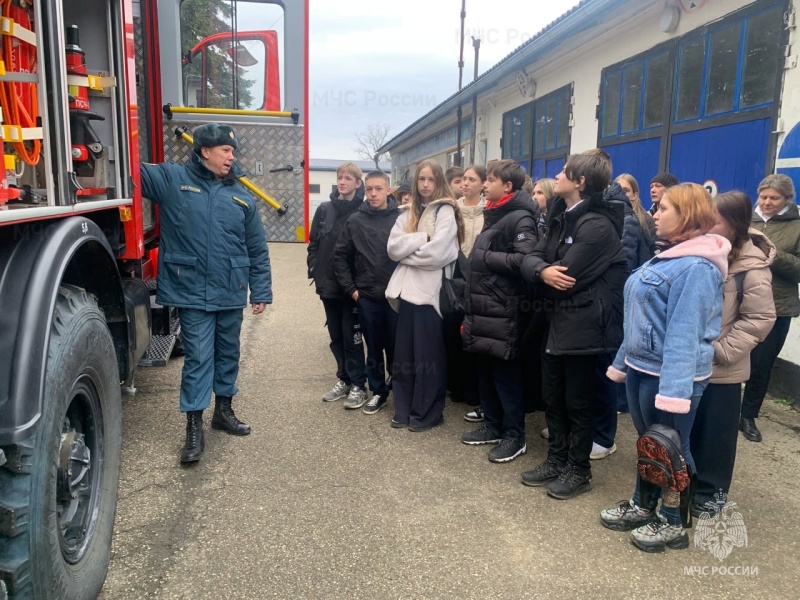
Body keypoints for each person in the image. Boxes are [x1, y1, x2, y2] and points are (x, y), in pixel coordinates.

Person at [601, 183, 729, 553]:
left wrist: (674, 392)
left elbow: (684, 334)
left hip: (671, 377)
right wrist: (622, 363)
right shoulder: (666, 257)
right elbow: (638, 318)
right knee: (650, 444)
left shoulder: (697, 267)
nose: (655, 214)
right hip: (642, 369)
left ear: (687, 215)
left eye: (664, 208)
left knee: (673, 447)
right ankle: (644, 505)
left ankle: (674, 523)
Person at [140, 123, 272, 463]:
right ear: (205, 152)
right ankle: (194, 428)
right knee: (199, 358)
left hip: (230, 289)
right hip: (192, 289)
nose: (231, 156)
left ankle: (223, 412)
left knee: (228, 353)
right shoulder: (173, 180)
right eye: (226, 150)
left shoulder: (242, 196)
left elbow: (257, 249)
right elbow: (130, 171)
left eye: (233, 151)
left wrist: (261, 290)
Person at [519, 149, 627, 499]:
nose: (558, 175)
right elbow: (534, 257)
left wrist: (544, 270)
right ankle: (556, 460)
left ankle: (579, 469)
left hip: (582, 325)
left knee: (578, 401)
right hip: (556, 321)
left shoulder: (596, 225)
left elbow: (567, 274)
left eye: (565, 171)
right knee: (553, 396)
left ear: (580, 182)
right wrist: (540, 270)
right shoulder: (561, 214)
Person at [690, 191, 776, 515]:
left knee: (716, 437)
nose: (706, 225)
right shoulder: (707, 253)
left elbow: (760, 318)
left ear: (735, 225)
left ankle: (712, 494)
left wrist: (723, 352)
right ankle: (690, 484)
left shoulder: (750, 269)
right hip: (694, 361)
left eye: (715, 220)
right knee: (693, 429)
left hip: (722, 368)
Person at [461, 160, 540, 463]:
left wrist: (484, 257)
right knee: (486, 373)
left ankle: (514, 435)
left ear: (507, 186)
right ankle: (493, 426)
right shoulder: (495, 215)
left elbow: (525, 261)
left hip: (504, 312)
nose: (484, 184)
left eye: (490, 180)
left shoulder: (520, 218)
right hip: (483, 310)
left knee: (506, 378)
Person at [386, 159, 463, 431]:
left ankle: (428, 413)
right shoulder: (406, 213)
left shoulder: (446, 211)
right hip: (406, 294)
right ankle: (403, 410)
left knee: (429, 358)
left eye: (431, 179)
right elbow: (393, 249)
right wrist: (421, 239)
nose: (426, 184)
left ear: (438, 181)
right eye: (421, 179)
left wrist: (408, 254)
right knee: (404, 358)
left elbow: (438, 254)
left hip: (431, 296)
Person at [332, 171, 400, 414]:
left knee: (397, 347)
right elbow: (339, 256)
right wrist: (352, 290)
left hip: (396, 297)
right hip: (367, 297)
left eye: (378, 189)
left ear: (388, 190)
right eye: (369, 189)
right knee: (374, 347)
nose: (373, 194)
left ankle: (400, 391)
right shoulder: (356, 221)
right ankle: (378, 392)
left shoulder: (401, 219)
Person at [741, 174, 800, 442]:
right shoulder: (746, 220)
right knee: (732, 357)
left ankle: (748, 415)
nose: (766, 202)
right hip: (741, 300)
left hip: (778, 306)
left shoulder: (797, 226)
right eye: (763, 196)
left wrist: (773, 255)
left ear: (788, 199)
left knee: (762, 364)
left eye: (774, 198)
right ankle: (727, 409)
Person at [308, 163, 367, 406]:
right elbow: (314, 245)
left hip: (352, 290)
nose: (342, 182)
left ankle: (359, 385)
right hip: (328, 288)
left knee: (352, 337)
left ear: (357, 183)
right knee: (336, 337)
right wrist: (314, 268)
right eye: (340, 178)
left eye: (348, 178)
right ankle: (343, 379)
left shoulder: (364, 212)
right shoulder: (324, 210)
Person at [602, 174, 655, 420]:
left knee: (623, 342)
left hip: (629, 288)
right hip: (626, 288)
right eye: (617, 189)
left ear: (634, 194)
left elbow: (628, 257)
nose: (621, 194)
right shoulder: (617, 216)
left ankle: (621, 398)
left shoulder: (638, 220)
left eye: (626, 190)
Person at [450, 165, 486, 414]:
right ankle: (456, 386)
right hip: (454, 277)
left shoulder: (489, 212)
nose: (466, 183)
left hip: (481, 281)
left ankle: (475, 390)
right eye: (463, 179)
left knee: (475, 335)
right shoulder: (451, 210)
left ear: (483, 184)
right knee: (453, 333)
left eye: (472, 179)